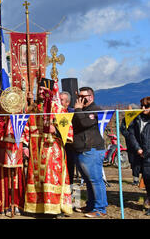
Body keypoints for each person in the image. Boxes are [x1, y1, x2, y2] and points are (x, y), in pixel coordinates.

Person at [23, 78, 73, 217]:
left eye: (42, 90)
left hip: (53, 148)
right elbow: (26, 129)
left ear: (49, 91)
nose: (39, 92)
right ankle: (38, 208)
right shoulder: (33, 109)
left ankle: (55, 208)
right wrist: (25, 146)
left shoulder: (59, 109)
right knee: (36, 177)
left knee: (52, 177)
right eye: (38, 90)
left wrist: (56, 131)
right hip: (35, 149)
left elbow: (68, 131)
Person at [72, 86, 108, 218]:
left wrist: (77, 109)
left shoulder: (95, 109)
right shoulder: (82, 109)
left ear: (91, 97)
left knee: (96, 180)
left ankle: (100, 208)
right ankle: (91, 205)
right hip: (81, 149)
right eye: (79, 97)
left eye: (83, 97)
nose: (80, 99)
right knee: (88, 180)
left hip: (92, 149)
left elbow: (85, 123)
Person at [0, 97, 26, 216]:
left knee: (16, 178)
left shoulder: (11, 116)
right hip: (0, 152)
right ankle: (2, 205)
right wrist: (5, 131)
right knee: (2, 179)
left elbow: (22, 131)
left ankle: (16, 204)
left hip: (15, 151)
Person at [126, 96, 150, 215]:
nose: (144, 108)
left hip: (148, 152)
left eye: (147, 106)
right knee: (147, 178)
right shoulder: (137, 119)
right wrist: (138, 149)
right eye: (142, 106)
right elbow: (131, 134)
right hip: (142, 154)